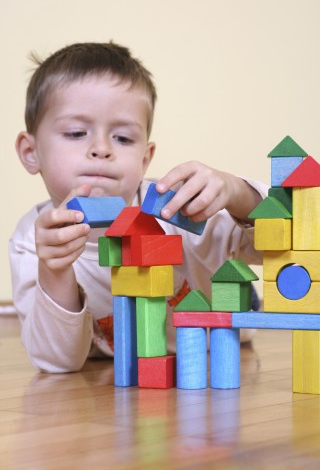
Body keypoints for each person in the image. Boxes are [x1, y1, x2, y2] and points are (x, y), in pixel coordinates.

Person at [10, 42, 267, 373]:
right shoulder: (32, 241)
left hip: (221, 326)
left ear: (145, 158)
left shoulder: (177, 207)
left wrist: (237, 192)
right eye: (76, 132)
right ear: (31, 152)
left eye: (123, 139)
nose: (101, 149)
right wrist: (55, 271)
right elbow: (56, 362)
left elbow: (279, 245)